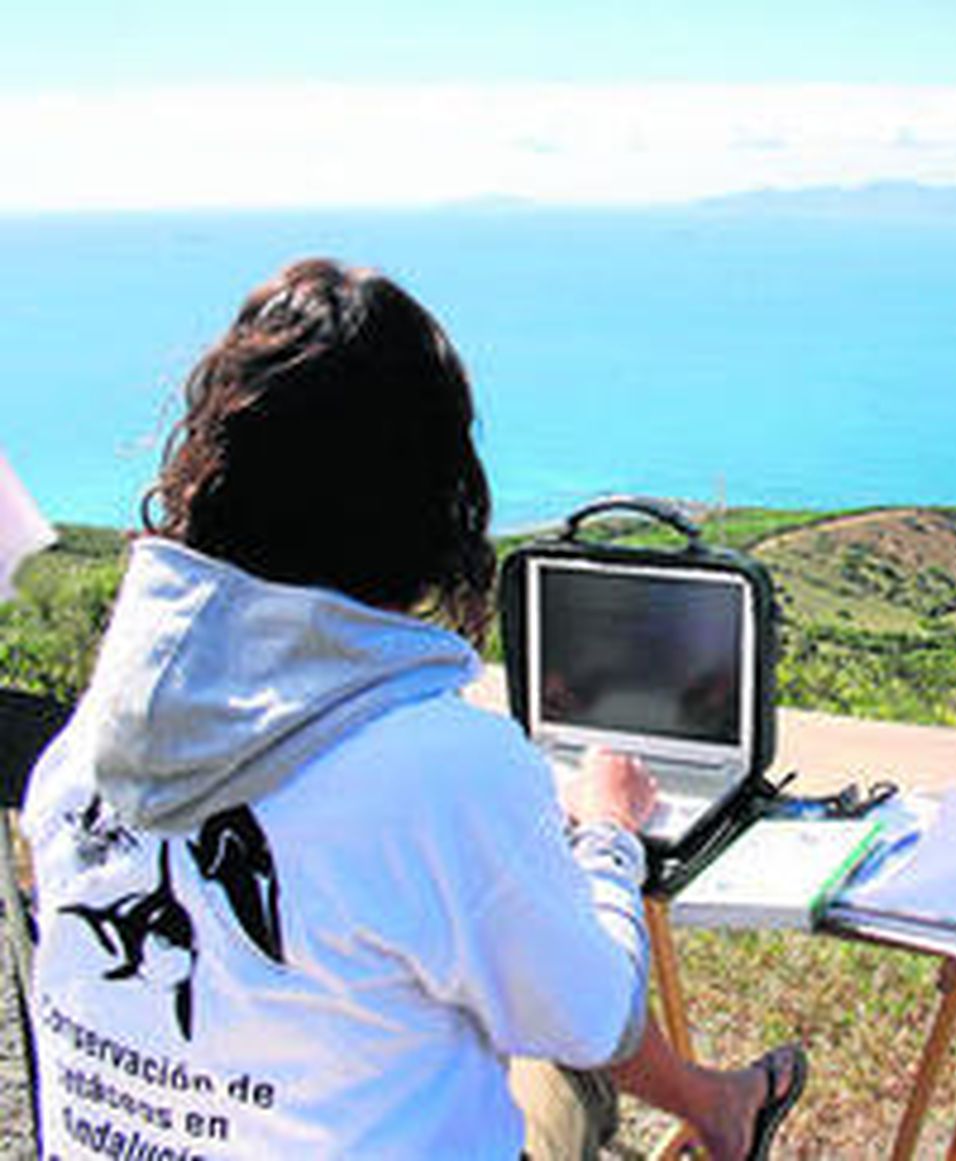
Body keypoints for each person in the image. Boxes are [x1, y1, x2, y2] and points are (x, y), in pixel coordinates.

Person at [23, 258, 805, 1158]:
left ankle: (716, 1105)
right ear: (429, 498)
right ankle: (722, 1109)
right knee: (562, 1040)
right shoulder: (444, 768)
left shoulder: (89, 745)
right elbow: (595, 1017)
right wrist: (607, 834)